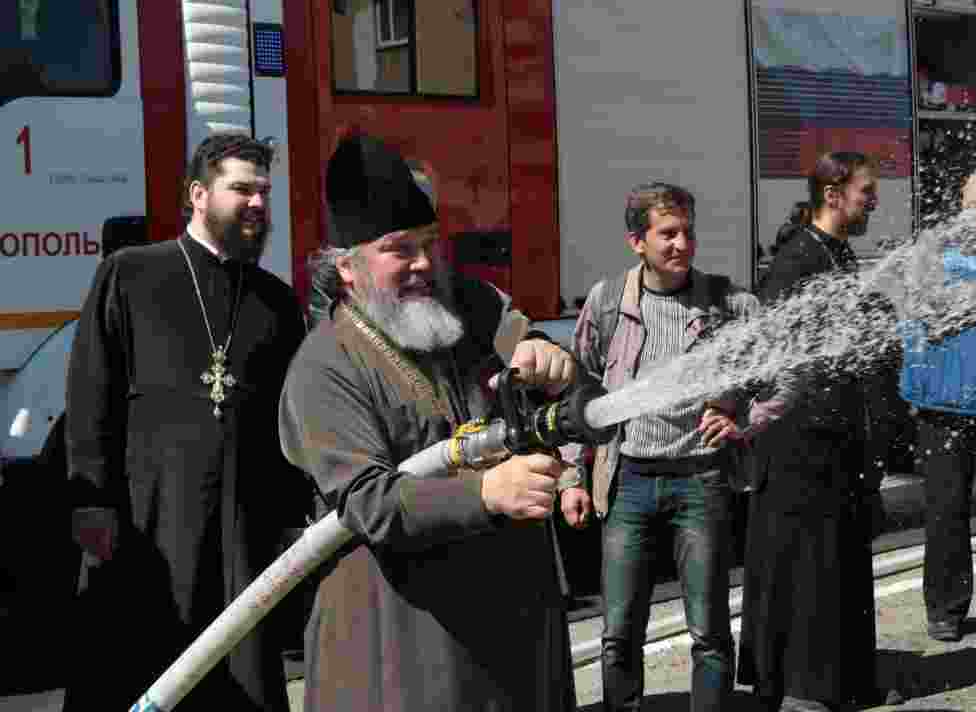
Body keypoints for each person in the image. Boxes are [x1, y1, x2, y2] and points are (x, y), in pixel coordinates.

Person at [279, 133, 581, 712]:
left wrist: (551, 356)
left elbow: (552, 374)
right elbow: (370, 503)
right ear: (348, 267)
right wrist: (489, 491)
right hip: (406, 648)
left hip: (512, 636)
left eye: (429, 243)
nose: (424, 263)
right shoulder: (324, 365)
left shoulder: (469, 308)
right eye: (400, 248)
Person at [64, 133, 310, 711]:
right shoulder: (129, 274)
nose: (257, 204)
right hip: (148, 523)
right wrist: (90, 501)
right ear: (198, 194)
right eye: (241, 189)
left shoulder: (274, 301)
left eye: (265, 192)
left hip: (242, 531)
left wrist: (291, 518)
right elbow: (89, 391)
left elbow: (287, 419)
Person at [560, 182, 758, 712]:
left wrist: (743, 417)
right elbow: (577, 398)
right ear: (637, 242)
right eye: (667, 233)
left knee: (709, 631)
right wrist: (571, 478)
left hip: (702, 482)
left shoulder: (730, 304)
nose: (682, 244)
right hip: (628, 484)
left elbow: (780, 378)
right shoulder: (606, 303)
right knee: (619, 631)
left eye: (688, 232)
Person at [737, 151, 881, 712]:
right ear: (834, 192)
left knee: (837, 560)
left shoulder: (838, 252)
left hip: (833, 435)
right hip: (799, 440)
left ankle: (841, 680)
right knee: (804, 564)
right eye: (867, 190)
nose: (874, 201)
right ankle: (801, 686)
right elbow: (772, 348)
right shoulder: (797, 259)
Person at [898, 169, 976, 642]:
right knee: (947, 507)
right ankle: (947, 609)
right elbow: (925, 310)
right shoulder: (935, 246)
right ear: (967, 203)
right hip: (947, 399)